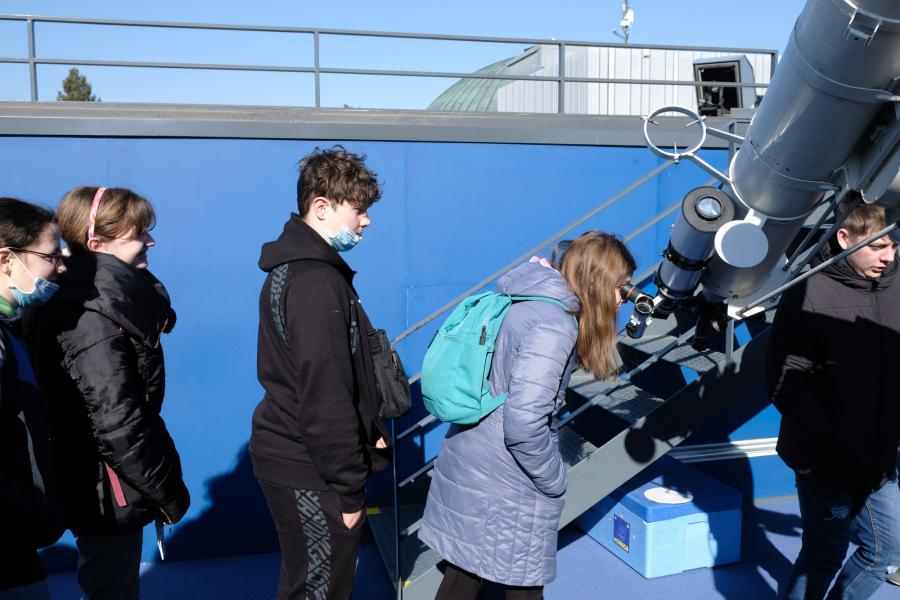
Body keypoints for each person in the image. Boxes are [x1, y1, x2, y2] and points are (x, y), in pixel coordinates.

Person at [418, 231, 636, 600]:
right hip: (507, 479)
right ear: (598, 283)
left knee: (463, 575)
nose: (622, 299)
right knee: (522, 585)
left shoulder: (527, 300)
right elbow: (524, 424)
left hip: (474, 455)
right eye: (621, 287)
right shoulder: (555, 325)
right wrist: (554, 478)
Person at [27, 187, 190, 600]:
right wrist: (165, 492)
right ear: (97, 244)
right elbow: (116, 422)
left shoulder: (103, 301)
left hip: (109, 481)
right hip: (106, 487)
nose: (150, 241)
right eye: (138, 234)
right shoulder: (91, 318)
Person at [250, 146, 391, 600]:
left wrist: (368, 431)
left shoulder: (300, 270)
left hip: (304, 460)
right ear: (322, 207)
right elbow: (324, 394)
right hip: (312, 469)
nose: (367, 221)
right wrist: (348, 491)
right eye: (359, 209)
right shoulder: (315, 282)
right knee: (318, 589)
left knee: (309, 582)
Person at [768, 202, 900, 600]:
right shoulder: (808, 291)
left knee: (882, 551)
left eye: (893, 245)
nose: (889, 256)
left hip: (879, 457)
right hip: (825, 459)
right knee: (827, 551)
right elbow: (784, 382)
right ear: (844, 237)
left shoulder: (896, 283)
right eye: (877, 246)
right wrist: (834, 439)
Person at [0, 197, 66, 600]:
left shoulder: (12, 328)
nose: (60, 266)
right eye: (51, 256)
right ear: (6, 259)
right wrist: (20, 511)